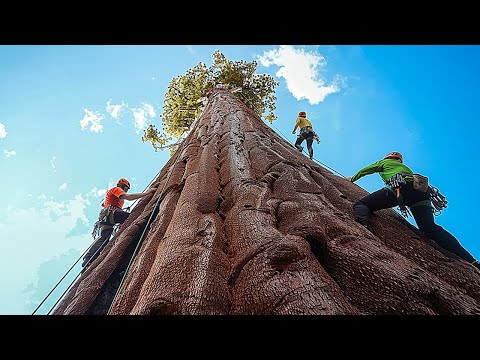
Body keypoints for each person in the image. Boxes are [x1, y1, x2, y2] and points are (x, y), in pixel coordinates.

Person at [346, 151, 480, 271]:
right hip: (420, 192)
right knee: (430, 229)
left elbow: (366, 170)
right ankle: (471, 261)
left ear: (388, 157)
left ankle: (362, 227)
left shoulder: (384, 162)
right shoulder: (405, 167)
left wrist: (352, 179)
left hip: (400, 188)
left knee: (361, 204)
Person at [82, 178, 156, 269]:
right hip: (112, 215)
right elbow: (129, 197)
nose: (126, 190)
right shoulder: (116, 190)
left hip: (106, 221)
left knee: (104, 239)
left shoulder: (113, 197)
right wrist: (148, 193)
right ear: (122, 186)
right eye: (126, 188)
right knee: (134, 216)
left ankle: (89, 259)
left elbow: (106, 204)